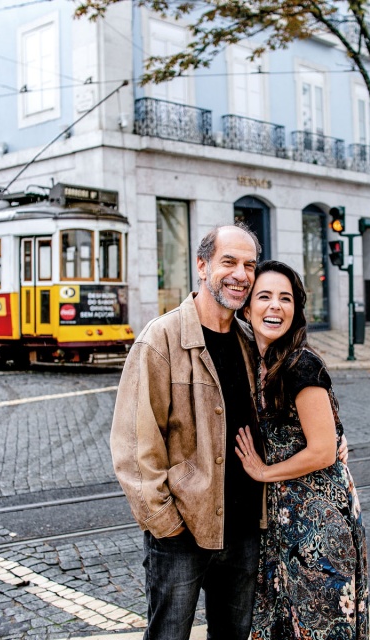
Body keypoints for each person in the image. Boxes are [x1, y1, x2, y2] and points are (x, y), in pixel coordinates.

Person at [110, 224, 264, 640]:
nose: (241, 274)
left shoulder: (251, 341)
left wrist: (334, 441)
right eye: (228, 262)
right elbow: (133, 446)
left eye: (249, 265)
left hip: (244, 528)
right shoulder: (160, 340)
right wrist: (166, 525)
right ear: (202, 266)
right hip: (183, 533)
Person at [235, 260, 369, 640]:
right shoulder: (255, 362)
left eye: (285, 298)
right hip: (280, 520)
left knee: (319, 627)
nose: (275, 306)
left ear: (296, 310)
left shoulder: (301, 364)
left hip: (319, 522)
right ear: (247, 308)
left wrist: (263, 471)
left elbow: (324, 451)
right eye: (264, 297)